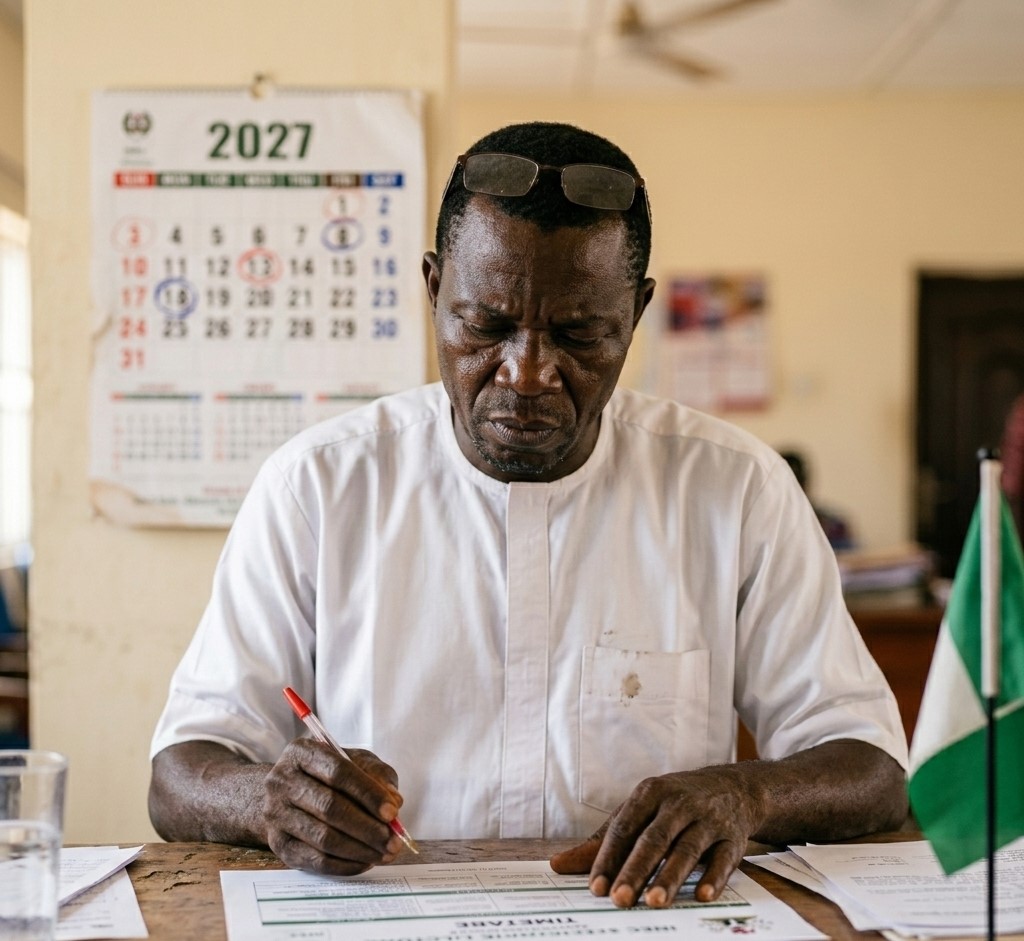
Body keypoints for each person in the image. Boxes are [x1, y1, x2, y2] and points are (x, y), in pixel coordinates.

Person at [148, 122, 908, 909]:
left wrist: (742, 795)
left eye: (580, 334)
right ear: (434, 288)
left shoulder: (735, 489)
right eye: (486, 325)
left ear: (637, 313)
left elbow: (873, 769)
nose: (529, 372)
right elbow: (181, 770)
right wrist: (272, 800)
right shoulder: (319, 485)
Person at [778, 449, 856, 551]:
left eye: (799, 482)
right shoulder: (771, 527)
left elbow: (850, 558)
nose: (796, 490)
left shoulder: (834, 525)